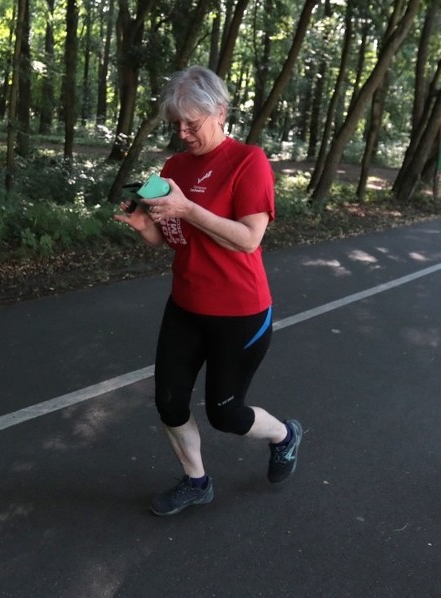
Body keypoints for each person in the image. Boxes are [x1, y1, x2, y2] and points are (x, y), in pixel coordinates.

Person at [114, 65, 303, 516]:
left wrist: (188, 208)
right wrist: (145, 225)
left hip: (240, 313)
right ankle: (196, 481)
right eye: (176, 124)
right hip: (185, 305)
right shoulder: (175, 167)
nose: (183, 134)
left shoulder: (248, 161)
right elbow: (170, 239)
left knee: (226, 413)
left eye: (192, 124)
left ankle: (285, 435)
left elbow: (248, 239)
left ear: (219, 112)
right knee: (169, 402)